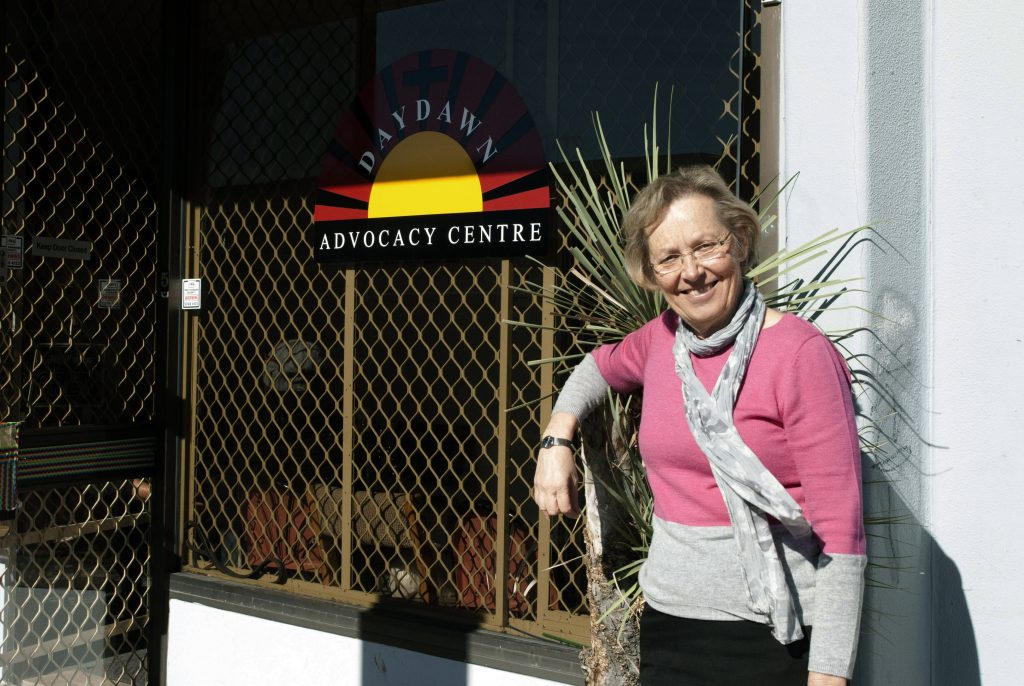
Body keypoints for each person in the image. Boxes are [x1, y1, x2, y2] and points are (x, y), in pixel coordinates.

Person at [533, 165, 865, 685]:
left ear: (738, 242)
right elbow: (596, 367)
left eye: (706, 246)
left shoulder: (801, 355)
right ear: (651, 273)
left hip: (776, 637)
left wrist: (829, 673)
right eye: (669, 258)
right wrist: (557, 438)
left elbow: (842, 533)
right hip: (670, 627)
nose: (691, 272)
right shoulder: (660, 340)